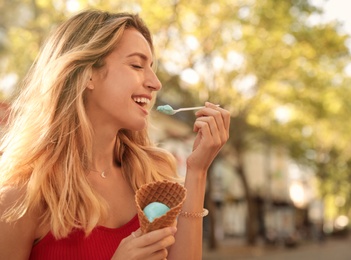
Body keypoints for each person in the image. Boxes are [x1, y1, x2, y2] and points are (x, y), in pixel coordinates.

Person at [0, 9, 230, 260]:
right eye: (136, 65)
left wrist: (197, 171)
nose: (155, 83)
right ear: (88, 74)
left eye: (151, 68)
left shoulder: (152, 175)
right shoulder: (22, 195)